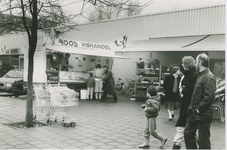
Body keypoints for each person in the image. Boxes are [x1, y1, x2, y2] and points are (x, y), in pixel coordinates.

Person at [184, 53, 216, 149]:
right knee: (187, 133)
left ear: (200, 62)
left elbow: (209, 96)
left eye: (196, 61)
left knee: (203, 141)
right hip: (195, 113)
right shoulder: (201, 75)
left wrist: (199, 109)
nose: (195, 63)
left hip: (202, 113)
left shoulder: (209, 77)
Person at [172, 56, 198, 149]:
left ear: (186, 65)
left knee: (182, 128)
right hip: (190, 106)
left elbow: (190, 92)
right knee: (192, 130)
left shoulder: (190, 76)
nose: (182, 65)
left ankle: (176, 146)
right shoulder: (193, 75)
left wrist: (183, 91)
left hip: (188, 106)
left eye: (183, 63)